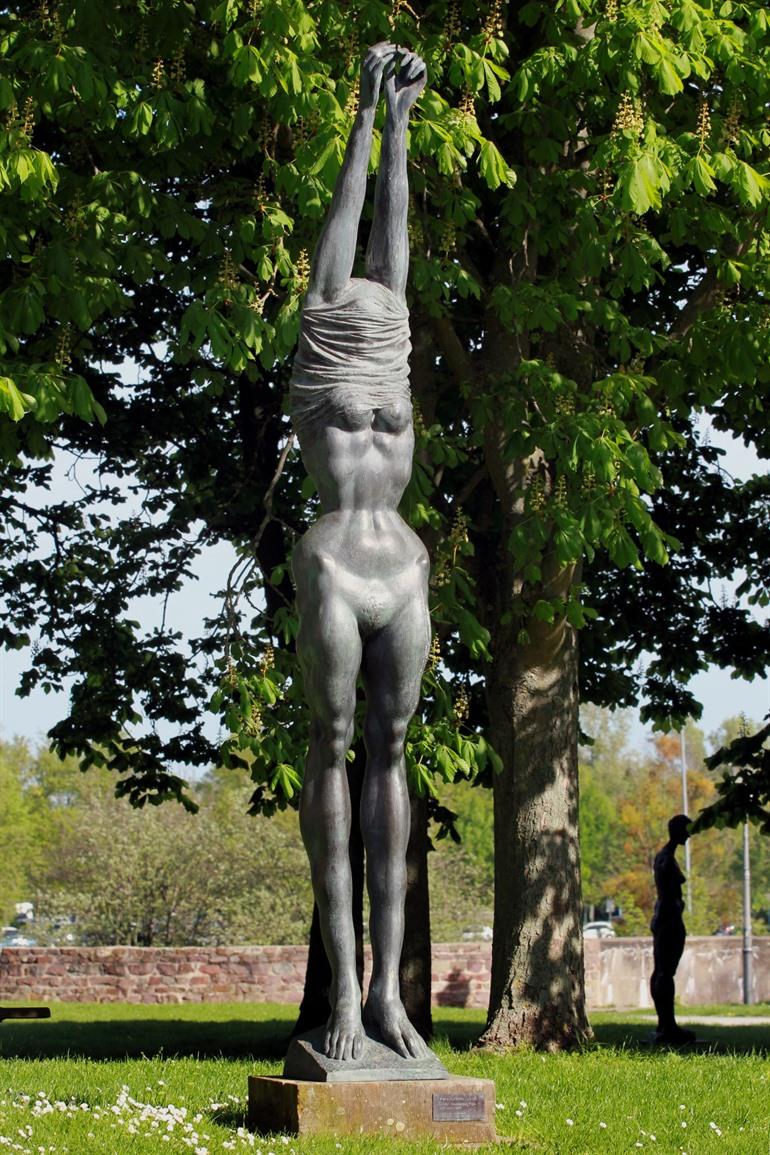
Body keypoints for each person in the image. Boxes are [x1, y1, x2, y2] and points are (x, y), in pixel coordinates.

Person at [290, 43, 430, 1063]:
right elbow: (346, 227)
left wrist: (406, 124)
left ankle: (387, 1000)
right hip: (335, 560)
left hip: (404, 564)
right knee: (333, 744)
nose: (374, 289)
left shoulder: (390, 334)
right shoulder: (321, 333)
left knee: (392, 754)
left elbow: (395, 232)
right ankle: (340, 988)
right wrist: (361, 116)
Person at [650, 814, 696, 1045]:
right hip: (669, 918)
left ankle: (666, 1024)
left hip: (664, 916)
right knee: (665, 972)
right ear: (677, 831)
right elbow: (673, 886)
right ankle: (667, 1026)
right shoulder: (667, 859)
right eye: (686, 830)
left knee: (661, 970)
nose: (689, 834)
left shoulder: (663, 857)